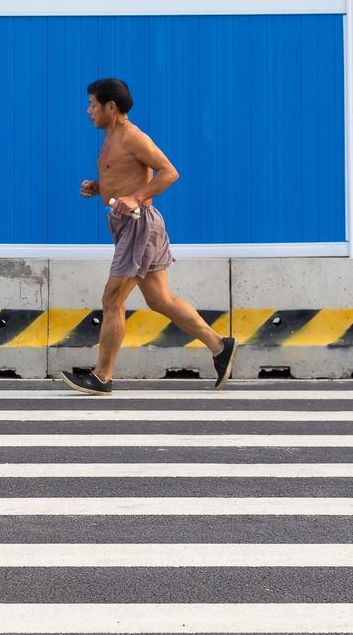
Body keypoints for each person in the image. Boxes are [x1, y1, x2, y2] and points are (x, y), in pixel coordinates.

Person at [61, 78, 237, 396]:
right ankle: (220, 346)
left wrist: (138, 197)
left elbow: (169, 172)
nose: (88, 111)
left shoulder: (133, 137)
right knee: (160, 300)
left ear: (110, 107)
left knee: (112, 299)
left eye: (92, 104)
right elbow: (123, 177)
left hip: (138, 226)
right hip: (128, 224)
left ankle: (102, 376)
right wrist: (99, 188)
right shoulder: (112, 136)